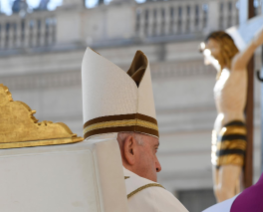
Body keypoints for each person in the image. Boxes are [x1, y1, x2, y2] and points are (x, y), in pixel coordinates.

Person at [81, 47, 188, 212]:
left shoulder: (60, 193)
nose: (158, 165)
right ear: (130, 148)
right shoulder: (152, 198)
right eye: (154, 149)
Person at [199, 27, 263, 202]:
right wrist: (204, 48)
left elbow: (253, 44)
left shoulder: (237, 65)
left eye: (214, 47)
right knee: (218, 190)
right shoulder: (222, 72)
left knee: (227, 189)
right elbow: (208, 55)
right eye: (209, 48)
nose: (211, 52)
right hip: (219, 133)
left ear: (225, 46)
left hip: (234, 129)